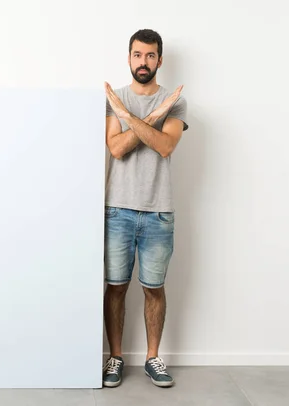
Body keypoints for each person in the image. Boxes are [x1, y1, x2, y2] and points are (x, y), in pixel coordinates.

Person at [103, 28, 188, 388]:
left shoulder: (177, 101)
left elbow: (165, 147)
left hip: (158, 212)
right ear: (129, 58)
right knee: (115, 287)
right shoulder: (114, 99)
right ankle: (116, 358)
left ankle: (153, 357)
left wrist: (137, 118)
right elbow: (117, 148)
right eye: (138, 55)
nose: (143, 62)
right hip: (117, 210)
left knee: (154, 288)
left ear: (159, 60)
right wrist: (151, 116)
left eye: (150, 55)